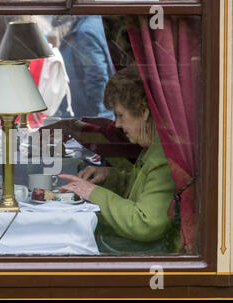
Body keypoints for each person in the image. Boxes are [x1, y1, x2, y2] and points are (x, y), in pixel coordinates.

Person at [59, 65, 179, 254]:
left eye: (121, 115)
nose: (118, 124)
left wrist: (92, 193)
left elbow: (145, 222)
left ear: (144, 112)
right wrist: (108, 175)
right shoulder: (153, 150)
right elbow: (141, 189)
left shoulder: (163, 159)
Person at [53, 16, 115, 120]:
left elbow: (97, 77)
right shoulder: (93, 23)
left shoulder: (85, 31)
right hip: (89, 114)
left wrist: (99, 115)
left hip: (88, 116)